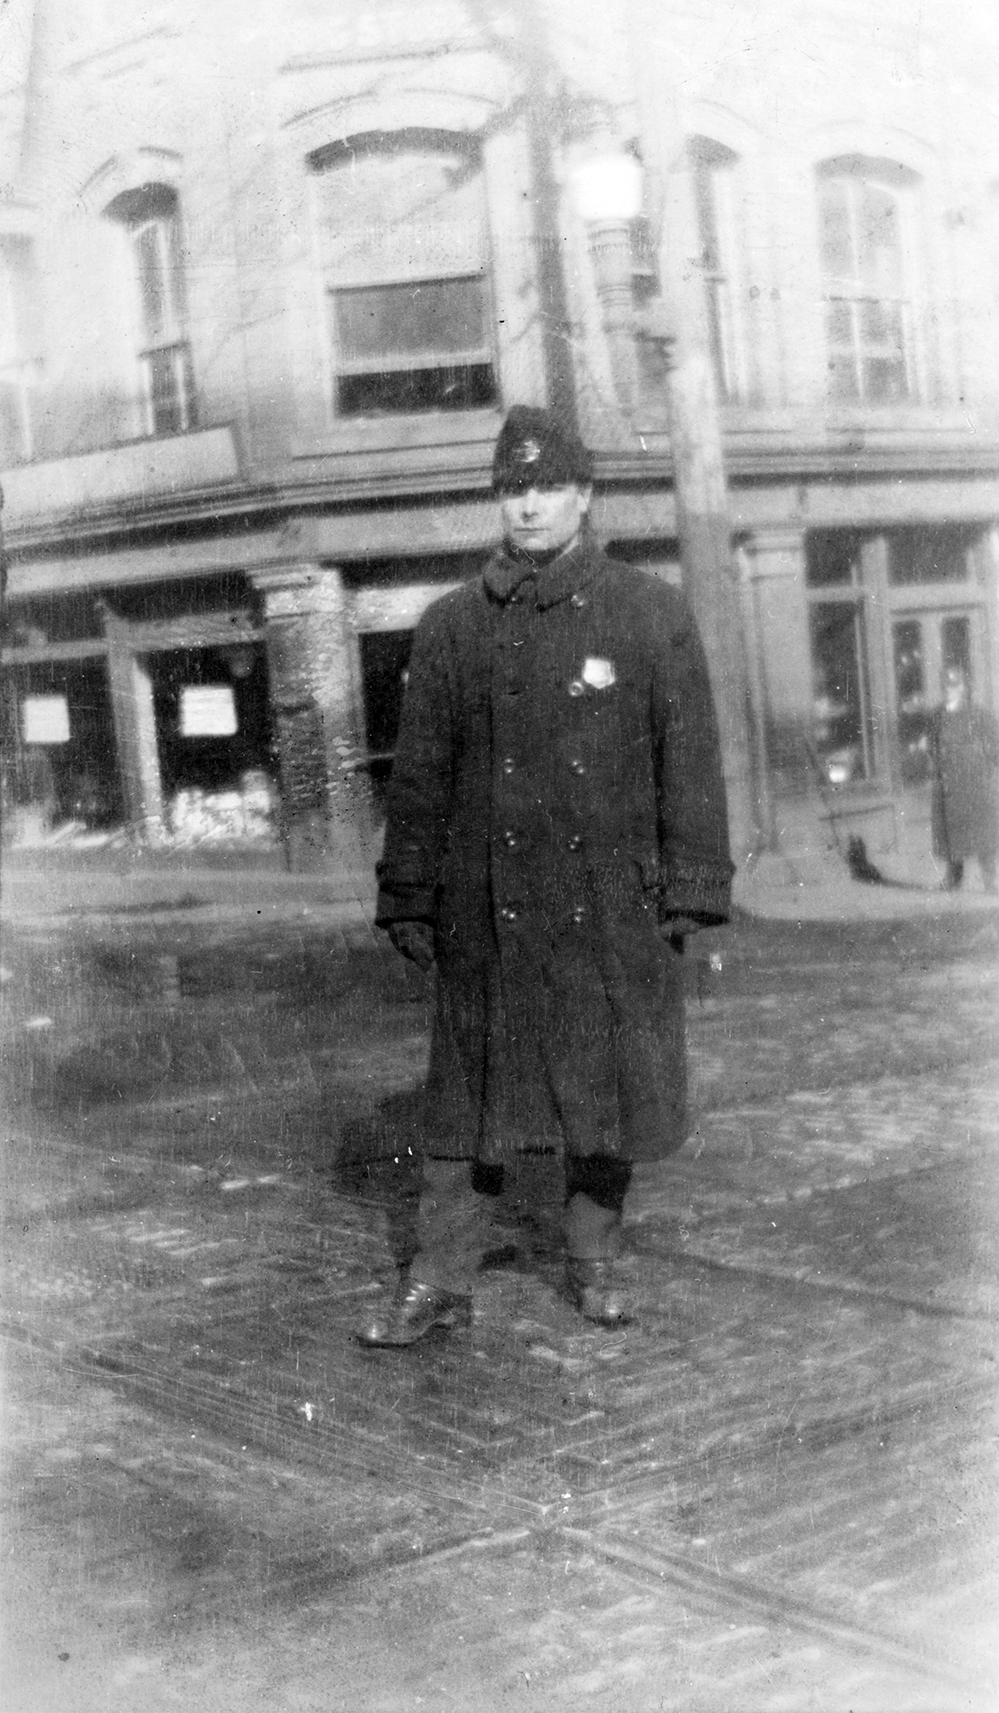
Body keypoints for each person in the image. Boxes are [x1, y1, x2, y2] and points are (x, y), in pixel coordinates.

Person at [357, 405, 733, 1347]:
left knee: (602, 1095)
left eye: (546, 487)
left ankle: (595, 1261)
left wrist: (688, 888)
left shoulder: (647, 613)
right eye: (512, 488)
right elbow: (422, 775)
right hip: (489, 907)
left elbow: (686, 756)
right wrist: (408, 892)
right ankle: (439, 1281)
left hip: (611, 904)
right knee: (463, 1106)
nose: (527, 505)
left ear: (584, 496)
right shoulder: (451, 628)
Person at [929, 667, 999, 893]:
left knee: (983, 831)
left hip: (974, 782)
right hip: (948, 783)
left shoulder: (978, 714)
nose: (949, 690)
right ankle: (953, 877)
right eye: (946, 686)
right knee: (950, 831)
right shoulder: (937, 715)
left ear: (964, 688)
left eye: (955, 686)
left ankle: (991, 879)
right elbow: (932, 745)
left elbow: (995, 744)